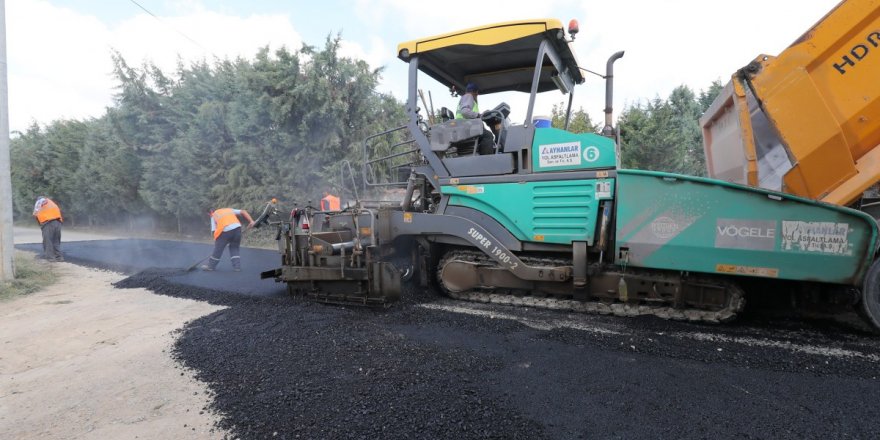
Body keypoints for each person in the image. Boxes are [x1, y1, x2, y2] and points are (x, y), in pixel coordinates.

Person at [200, 207, 255, 272]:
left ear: (210, 213)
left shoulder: (214, 215)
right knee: (234, 247)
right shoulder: (228, 210)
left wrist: (218, 244)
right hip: (237, 229)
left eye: (209, 215)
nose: (210, 216)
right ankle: (237, 267)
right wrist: (251, 221)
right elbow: (243, 211)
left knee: (218, 250)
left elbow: (214, 231)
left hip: (225, 231)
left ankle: (210, 266)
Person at [456, 82, 496, 155]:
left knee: (485, 135)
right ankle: (487, 159)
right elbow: (465, 112)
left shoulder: (466, 98)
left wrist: (481, 115)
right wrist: (478, 115)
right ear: (474, 92)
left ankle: (482, 154)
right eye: (477, 92)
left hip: (464, 126)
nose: (477, 95)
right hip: (465, 127)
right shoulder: (468, 96)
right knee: (488, 135)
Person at [32, 196, 64, 262]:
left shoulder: (39, 202)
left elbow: (36, 214)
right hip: (58, 222)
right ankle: (59, 257)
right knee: (56, 241)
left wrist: (41, 226)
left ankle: (50, 258)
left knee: (48, 241)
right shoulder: (51, 202)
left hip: (48, 223)